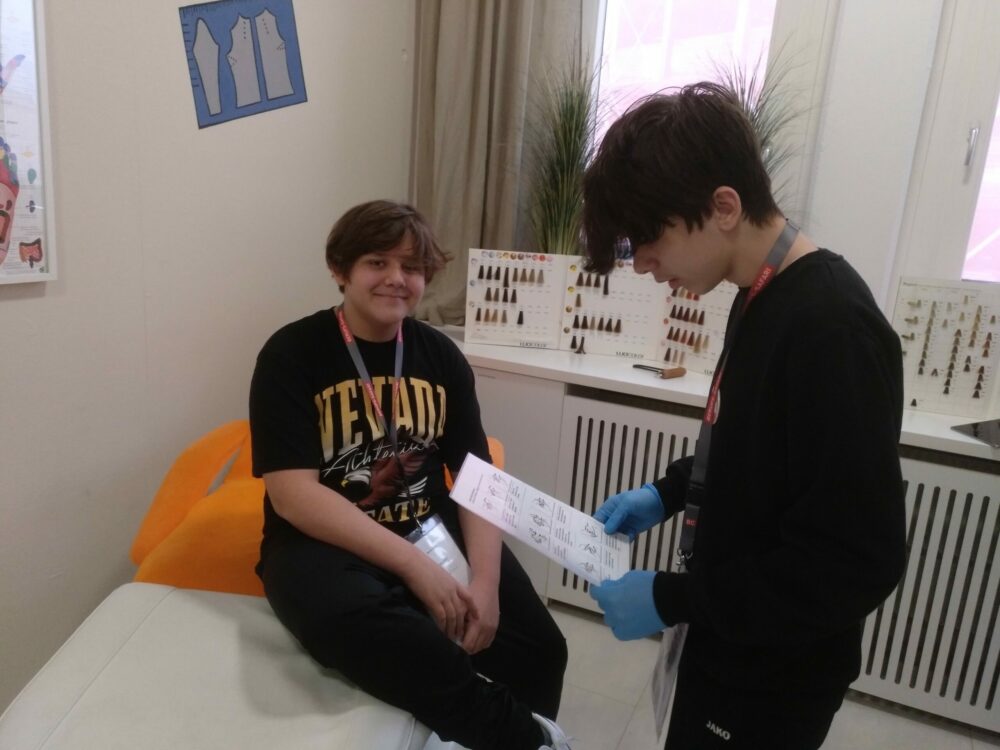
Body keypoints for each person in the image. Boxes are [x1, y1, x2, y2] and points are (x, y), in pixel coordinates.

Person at [582, 83, 907, 749]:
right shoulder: (756, 292)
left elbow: (854, 562)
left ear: (723, 207)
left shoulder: (832, 329)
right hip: (727, 636)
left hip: (774, 676)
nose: (644, 266)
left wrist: (672, 598)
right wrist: (668, 492)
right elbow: (753, 445)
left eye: (650, 241)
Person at [249, 200, 570, 750]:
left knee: (541, 648)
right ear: (340, 269)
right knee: (385, 632)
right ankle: (523, 738)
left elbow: (476, 476)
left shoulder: (440, 355)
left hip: (426, 519)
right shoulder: (291, 353)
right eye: (377, 262)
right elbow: (293, 495)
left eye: (413, 267)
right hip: (322, 542)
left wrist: (486, 585)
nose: (397, 278)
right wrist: (416, 568)